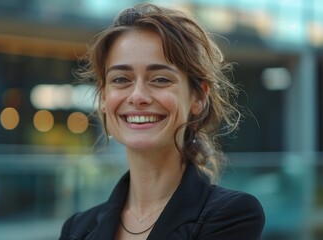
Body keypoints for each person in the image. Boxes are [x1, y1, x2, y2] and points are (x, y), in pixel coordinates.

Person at [60, 3, 265, 240]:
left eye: (159, 79)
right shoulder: (76, 229)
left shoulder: (233, 215)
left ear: (198, 97)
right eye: (120, 79)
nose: (137, 96)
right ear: (104, 98)